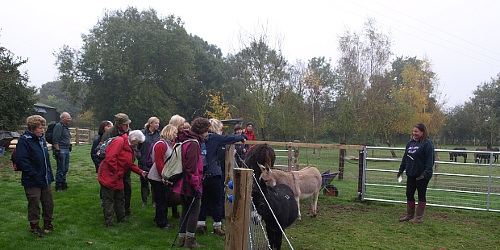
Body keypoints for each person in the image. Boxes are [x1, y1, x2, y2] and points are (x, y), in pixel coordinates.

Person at [196, 119, 246, 236]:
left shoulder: (202, 139)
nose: (222, 131)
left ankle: (201, 224)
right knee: (217, 200)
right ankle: (217, 226)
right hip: (214, 173)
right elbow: (230, 138)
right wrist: (241, 137)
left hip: (203, 173)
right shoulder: (214, 137)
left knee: (205, 200)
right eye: (221, 128)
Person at [97, 130, 148, 227]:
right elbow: (110, 158)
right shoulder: (119, 141)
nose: (138, 144)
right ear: (133, 139)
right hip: (108, 174)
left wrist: (141, 172)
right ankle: (109, 222)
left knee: (120, 198)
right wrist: (116, 171)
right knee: (109, 199)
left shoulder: (131, 148)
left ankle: (122, 218)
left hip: (118, 176)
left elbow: (129, 164)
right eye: (138, 142)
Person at [173, 117, 210, 248]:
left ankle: (181, 240)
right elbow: (192, 169)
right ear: (202, 130)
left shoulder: (186, 140)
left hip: (182, 182)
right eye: (206, 130)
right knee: (194, 211)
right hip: (189, 183)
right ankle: (190, 240)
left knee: (184, 211)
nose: (207, 133)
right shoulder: (194, 144)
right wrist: (196, 187)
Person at [16, 115, 55, 237]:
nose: (42, 130)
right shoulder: (24, 141)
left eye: (43, 128)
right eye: (40, 128)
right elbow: (22, 161)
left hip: (45, 178)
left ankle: (48, 223)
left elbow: (45, 160)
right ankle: (35, 226)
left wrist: (49, 174)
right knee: (34, 203)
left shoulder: (41, 140)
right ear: (32, 128)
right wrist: (34, 174)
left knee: (49, 203)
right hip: (32, 180)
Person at [397, 123, 435, 223]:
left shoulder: (427, 144)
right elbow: (405, 158)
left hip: (422, 175)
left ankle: (418, 218)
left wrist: (425, 173)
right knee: (409, 193)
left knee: (421, 194)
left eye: (416, 132)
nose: (414, 133)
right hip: (411, 174)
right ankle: (409, 215)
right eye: (413, 131)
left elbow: (430, 160)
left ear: (422, 132)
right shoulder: (410, 144)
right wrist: (401, 169)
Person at [101, 113, 134, 216]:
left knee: (127, 189)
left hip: (125, 168)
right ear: (118, 124)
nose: (127, 127)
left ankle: (126, 211)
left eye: (128, 124)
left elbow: (134, 148)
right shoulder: (109, 134)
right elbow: (103, 151)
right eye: (125, 124)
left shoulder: (130, 133)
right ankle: (110, 212)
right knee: (110, 193)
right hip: (112, 169)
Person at [147, 124, 177, 229]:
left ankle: (159, 218)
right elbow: (159, 163)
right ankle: (162, 223)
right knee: (161, 200)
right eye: (174, 133)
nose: (176, 135)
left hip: (162, 175)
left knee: (163, 199)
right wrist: (164, 178)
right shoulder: (161, 144)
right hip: (157, 177)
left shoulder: (169, 144)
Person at [138, 117, 160, 207]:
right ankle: (144, 201)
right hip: (143, 161)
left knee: (154, 182)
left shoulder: (159, 134)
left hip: (154, 162)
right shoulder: (143, 133)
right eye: (155, 123)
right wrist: (139, 156)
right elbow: (137, 146)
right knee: (144, 182)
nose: (157, 125)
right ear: (150, 123)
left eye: (158, 123)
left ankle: (154, 201)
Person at [52, 112, 72, 191]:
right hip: (61, 149)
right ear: (62, 118)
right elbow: (55, 139)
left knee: (65, 168)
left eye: (69, 118)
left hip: (66, 149)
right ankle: (58, 185)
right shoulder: (59, 126)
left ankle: (63, 183)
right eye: (67, 118)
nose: (69, 119)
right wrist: (57, 150)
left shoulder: (66, 127)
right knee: (61, 168)